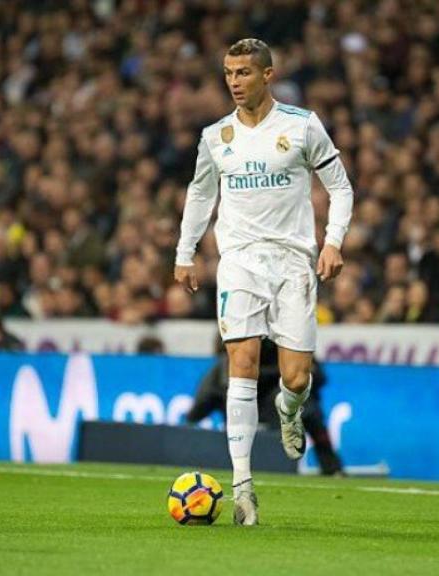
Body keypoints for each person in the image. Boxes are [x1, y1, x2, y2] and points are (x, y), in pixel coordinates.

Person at [174, 38, 353, 525]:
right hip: (239, 262)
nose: (234, 82)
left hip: (294, 263)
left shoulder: (301, 126)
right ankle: (243, 490)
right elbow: (199, 194)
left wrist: (333, 241)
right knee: (242, 364)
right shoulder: (217, 136)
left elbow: (340, 186)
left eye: (244, 73)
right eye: (229, 73)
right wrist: (185, 252)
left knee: (295, 378)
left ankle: (290, 409)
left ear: (268, 75)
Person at [186, 339, 344, 476]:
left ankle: (331, 468)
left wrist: (292, 380)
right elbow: (224, 381)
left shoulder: (291, 342)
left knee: (307, 407)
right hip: (248, 402)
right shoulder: (242, 338)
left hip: (278, 403)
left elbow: (319, 376)